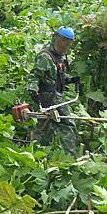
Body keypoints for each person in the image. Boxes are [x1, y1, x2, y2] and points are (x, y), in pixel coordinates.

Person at [26, 27, 80, 156]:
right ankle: (71, 158)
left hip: (56, 96)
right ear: (56, 39)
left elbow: (58, 78)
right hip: (47, 98)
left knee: (46, 128)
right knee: (68, 124)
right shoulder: (45, 57)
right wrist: (33, 90)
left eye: (68, 44)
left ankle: (38, 153)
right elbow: (34, 76)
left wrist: (71, 80)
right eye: (63, 42)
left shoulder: (60, 57)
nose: (65, 46)